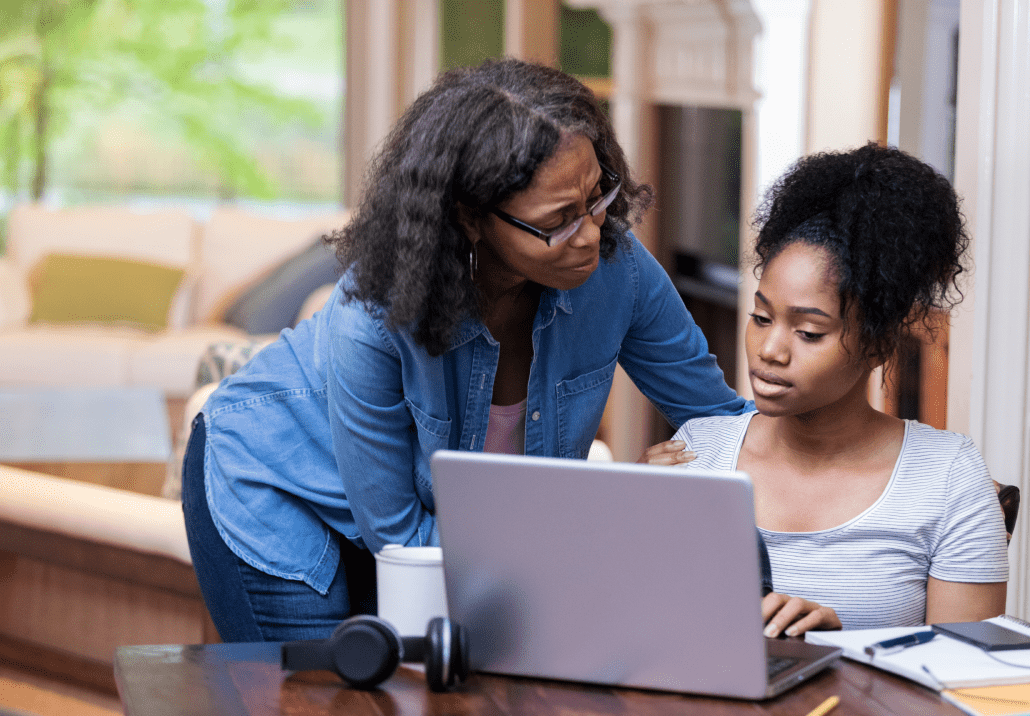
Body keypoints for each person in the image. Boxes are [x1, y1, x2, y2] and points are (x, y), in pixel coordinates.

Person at [182, 59, 751, 643]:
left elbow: (718, 420)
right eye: (557, 221)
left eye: (597, 195)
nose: (591, 235)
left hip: (427, 535)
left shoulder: (618, 269)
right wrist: (608, 518)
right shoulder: (375, 316)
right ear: (470, 220)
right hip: (278, 486)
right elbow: (404, 547)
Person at [644, 143, 1008, 634]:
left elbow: (961, 679)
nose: (770, 349)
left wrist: (844, 649)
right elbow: (647, 636)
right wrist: (636, 514)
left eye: (809, 332)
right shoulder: (694, 455)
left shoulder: (947, 479)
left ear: (878, 344)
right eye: (761, 317)